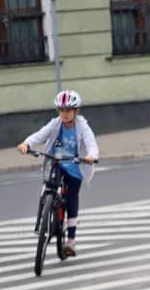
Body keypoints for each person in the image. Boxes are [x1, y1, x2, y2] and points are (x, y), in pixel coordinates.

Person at [17, 90, 99, 257]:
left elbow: (91, 143)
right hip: (58, 162)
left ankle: (70, 241)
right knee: (50, 185)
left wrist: (91, 156)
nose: (65, 114)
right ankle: (46, 207)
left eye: (68, 110)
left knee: (71, 199)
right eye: (61, 110)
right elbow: (40, 134)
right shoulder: (56, 124)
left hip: (75, 167)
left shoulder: (82, 126)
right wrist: (27, 143)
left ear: (76, 111)